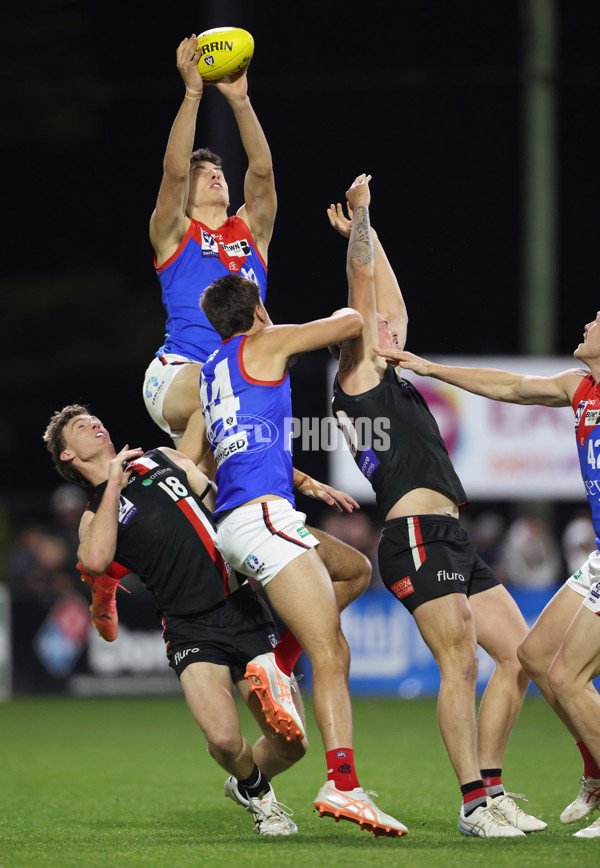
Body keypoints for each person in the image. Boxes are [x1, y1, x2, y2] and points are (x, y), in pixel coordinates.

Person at [329, 176, 546, 837]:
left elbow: (389, 301)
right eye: (377, 327)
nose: (391, 325)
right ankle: (474, 804)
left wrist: (375, 228)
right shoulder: (356, 377)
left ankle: (495, 788)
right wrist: (362, 220)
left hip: (452, 537)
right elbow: (364, 292)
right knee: (460, 661)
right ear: (357, 337)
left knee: (521, 654)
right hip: (415, 536)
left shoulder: (387, 373)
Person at [373, 309, 600, 838]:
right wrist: (431, 369)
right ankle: (593, 769)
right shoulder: (580, 388)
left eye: (597, 320)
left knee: (567, 677)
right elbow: (510, 386)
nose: (587, 323)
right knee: (535, 656)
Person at [199, 265, 408, 836]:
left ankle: (277, 667)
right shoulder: (266, 340)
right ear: (258, 310)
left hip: (251, 517)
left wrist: (308, 483)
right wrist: (357, 267)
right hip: (263, 519)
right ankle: (343, 786)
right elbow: (350, 322)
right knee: (335, 654)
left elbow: (233, 450)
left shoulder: (213, 370)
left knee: (354, 569)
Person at [42, 404, 308, 837]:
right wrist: (113, 483)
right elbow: (93, 559)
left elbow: (223, 502)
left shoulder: (165, 459)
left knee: (293, 742)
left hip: (242, 607)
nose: (95, 422)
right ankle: (264, 802)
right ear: (68, 455)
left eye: (95, 417)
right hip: (189, 627)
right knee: (223, 740)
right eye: (80, 426)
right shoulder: (95, 514)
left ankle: (246, 782)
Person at [143, 34, 276, 463]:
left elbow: (262, 169)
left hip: (232, 389)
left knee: (229, 505)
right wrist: (192, 94)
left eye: (218, 168)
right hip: (177, 375)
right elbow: (173, 171)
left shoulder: (251, 231)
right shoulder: (174, 232)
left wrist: (240, 101)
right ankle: (175, 484)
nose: (215, 173)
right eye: (203, 171)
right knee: (220, 382)